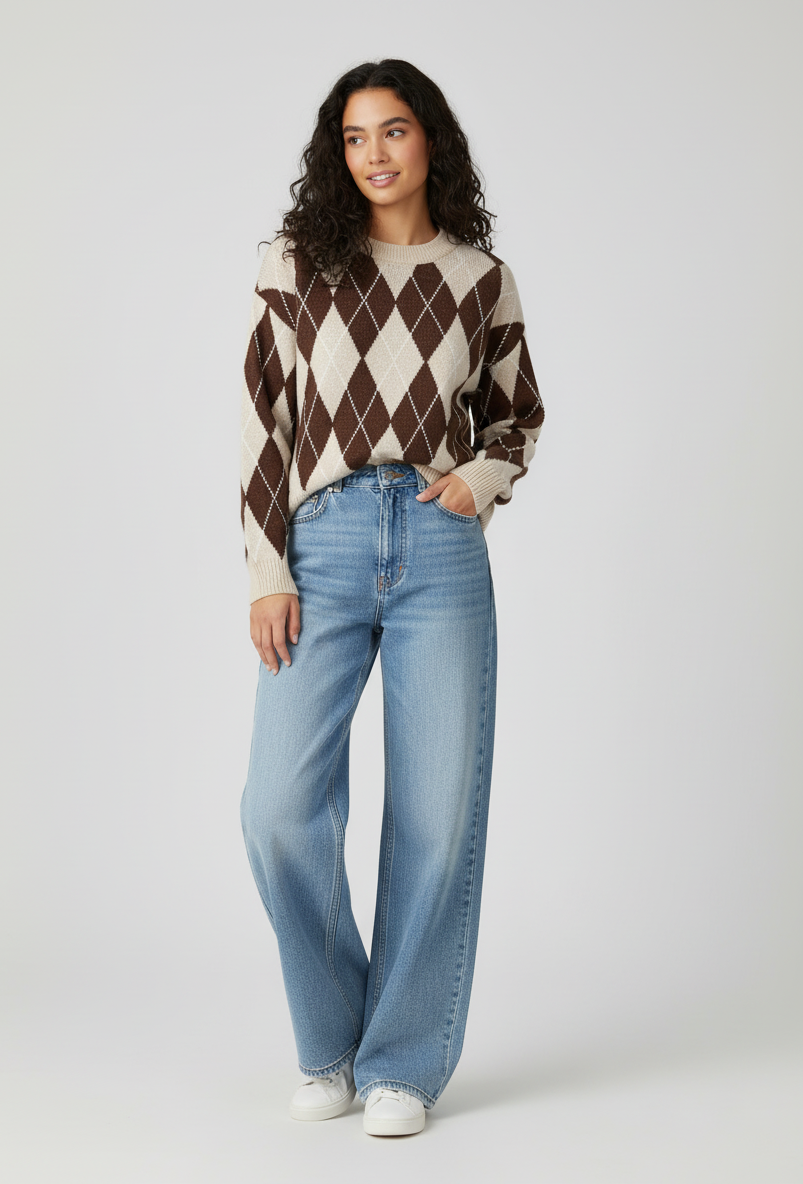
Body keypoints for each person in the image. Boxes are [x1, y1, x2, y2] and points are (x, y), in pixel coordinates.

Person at [238, 58, 545, 1137]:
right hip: (320, 540)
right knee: (278, 807)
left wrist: (476, 480)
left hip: (438, 547)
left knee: (436, 813)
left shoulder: (478, 277)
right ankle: (332, 1042)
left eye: (395, 130)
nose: (374, 153)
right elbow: (264, 421)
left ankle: (403, 1060)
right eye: (355, 136)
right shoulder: (297, 262)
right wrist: (267, 571)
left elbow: (517, 416)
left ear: (431, 140)